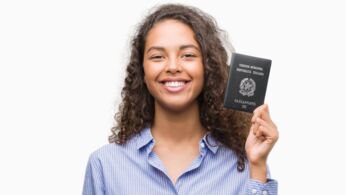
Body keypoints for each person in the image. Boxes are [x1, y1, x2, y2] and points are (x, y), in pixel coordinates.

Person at [82, 3, 278, 195]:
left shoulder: (245, 164)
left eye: (188, 55)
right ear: (142, 71)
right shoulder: (105, 165)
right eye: (158, 57)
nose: (173, 66)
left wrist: (258, 165)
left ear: (207, 67)